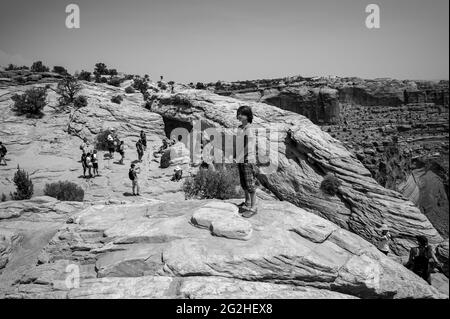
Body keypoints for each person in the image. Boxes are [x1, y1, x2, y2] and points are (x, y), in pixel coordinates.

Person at [236, 105, 257, 218]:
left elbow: (248, 146)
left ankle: (253, 208)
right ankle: (247, 202)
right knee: (244, 182)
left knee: (250, 184)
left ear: (248, 116)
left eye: (242, 114)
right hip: (241, 159)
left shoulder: (249, 129)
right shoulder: (241, 128)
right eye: (238, 113)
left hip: (248, 159)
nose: (239, 115)